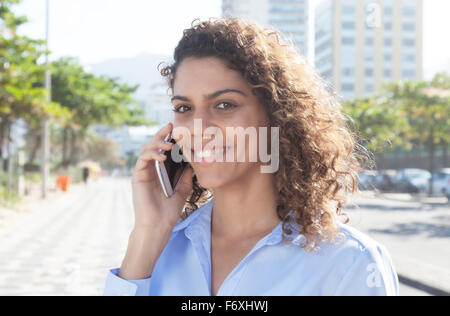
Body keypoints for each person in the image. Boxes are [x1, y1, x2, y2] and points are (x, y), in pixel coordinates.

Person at [103, 17, 399, 296]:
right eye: (184, 108)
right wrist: (148, 232)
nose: (198, 128)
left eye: (224, 105)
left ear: (277, 115)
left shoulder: (348, 262)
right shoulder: (159, 247)